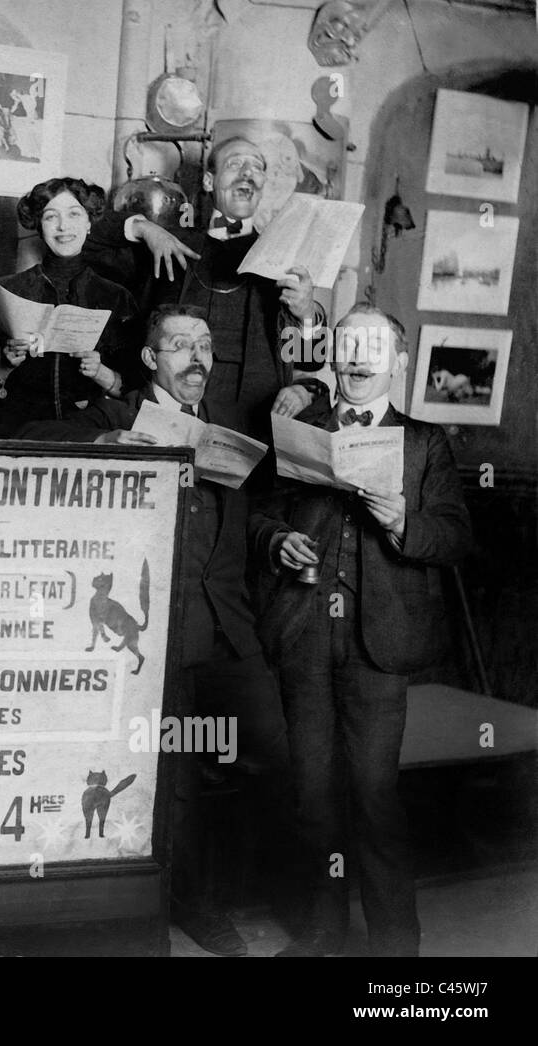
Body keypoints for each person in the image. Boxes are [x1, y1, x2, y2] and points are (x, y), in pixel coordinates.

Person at [20, 304, 292, 956]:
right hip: (158, 638)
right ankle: (193, 910)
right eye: (178, 345)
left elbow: (247, 519)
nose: (195, 357)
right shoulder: (117, 417)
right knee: (177, 788)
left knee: (286, 757)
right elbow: (27, 432)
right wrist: (104, 448)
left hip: (229, 630)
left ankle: (275, 893)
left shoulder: (227, 429)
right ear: (150, 359)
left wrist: (277, 538)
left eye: (204, 345)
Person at [250, 306, 473, 957]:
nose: (357, 356)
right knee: (313, 796)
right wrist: (279, 541)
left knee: (375, 798)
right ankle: (322, 930)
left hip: (379, 647)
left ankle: (396, 945)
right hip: (306, 638)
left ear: (398, 362)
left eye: (372, 346)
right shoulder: (298, 431)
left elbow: (455, 537)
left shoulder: (425, 443)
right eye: (346, 344)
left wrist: (405, 519)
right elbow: (258, 515)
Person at [84, 136, 330, 442]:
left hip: (253, 426)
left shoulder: (284, 258)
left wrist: (307, 314)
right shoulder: (170, 243)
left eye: (256, 166)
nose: (246, 172)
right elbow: (86, 242)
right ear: (209, 181)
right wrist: (143, 228)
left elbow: (310, 361)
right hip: (170, 418)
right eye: (235, 163)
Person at [0, 177, 139, 437]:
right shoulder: (5, 290)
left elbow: (132, 389)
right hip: (17, 432)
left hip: (90, 434)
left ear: (89, 223)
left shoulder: (116, 297)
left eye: (74, 214)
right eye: (51, 217)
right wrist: (5, 364)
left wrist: (100, 372)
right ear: (38, 226)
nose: (63, 226)